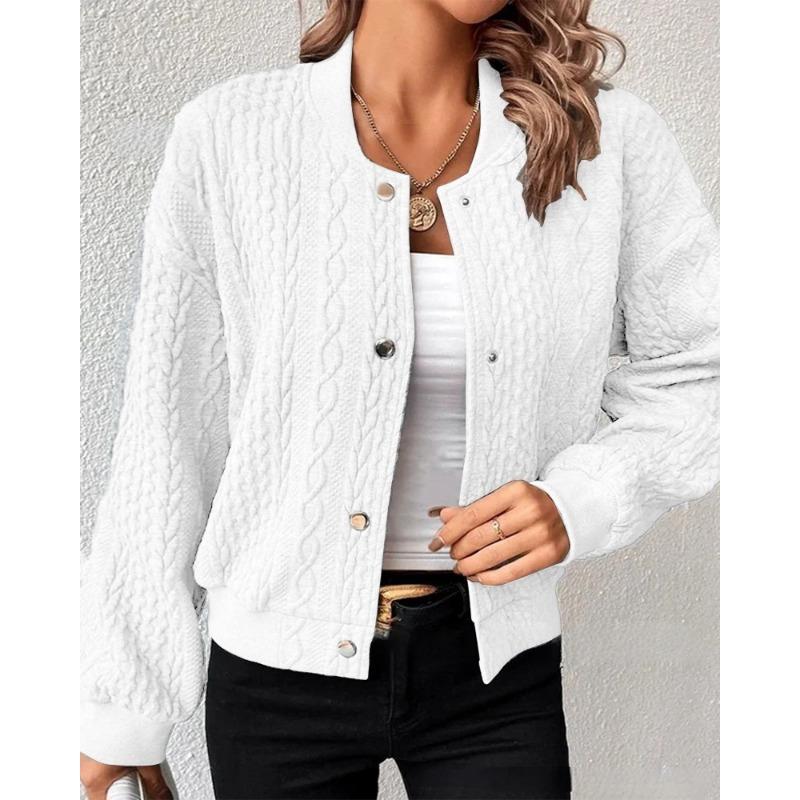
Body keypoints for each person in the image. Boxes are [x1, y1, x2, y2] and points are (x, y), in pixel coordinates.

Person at [79, 1, 720, 798]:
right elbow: (168, 429)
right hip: (276, 680)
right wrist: (123, 705)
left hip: (494, 677)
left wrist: (585, 498)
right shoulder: (232, 135)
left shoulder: (604, 140)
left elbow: (708, 367)